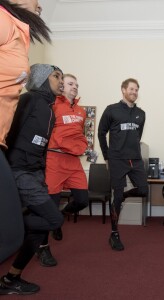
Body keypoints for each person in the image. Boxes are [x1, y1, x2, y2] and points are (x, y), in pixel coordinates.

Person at [0, 64, 65, 295]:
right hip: (19, 172)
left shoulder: (49, 108)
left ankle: (11, 278)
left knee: (38, 231)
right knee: (54, 220)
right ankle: (11, 228)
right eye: (57, 76)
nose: (62, 81)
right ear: (42, 78)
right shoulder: (29, 100)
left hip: (36, 173)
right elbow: (9, 132)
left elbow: (40, 146)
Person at [0, 0, 51, 264]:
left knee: (10, 234)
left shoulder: (18, 31)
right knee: (9, 234)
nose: (40, 4)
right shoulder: (3, 20)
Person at [38, 74, 89, 266]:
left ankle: (59, 219)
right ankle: (43, 248)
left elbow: (79, 134)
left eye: (76, 84)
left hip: (73, 162)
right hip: (54, 159)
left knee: (82, 199)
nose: (75, 86)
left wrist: (81, 145)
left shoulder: (82, 112)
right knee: (49, 206)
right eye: (70, 83)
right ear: (61, 87)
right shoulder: (52, 106)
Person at [98, 78, 148, 251]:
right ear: (123, 90)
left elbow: (137, 136)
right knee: (116, 197)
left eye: (137, 89)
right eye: (132, 89)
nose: (134, 92)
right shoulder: (111, 110)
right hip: (117, 159)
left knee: (143, 189)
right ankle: (114, 233)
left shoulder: (141, 114)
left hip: (135, 159)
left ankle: (125, 196)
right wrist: (106, 156)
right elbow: (101, 133)